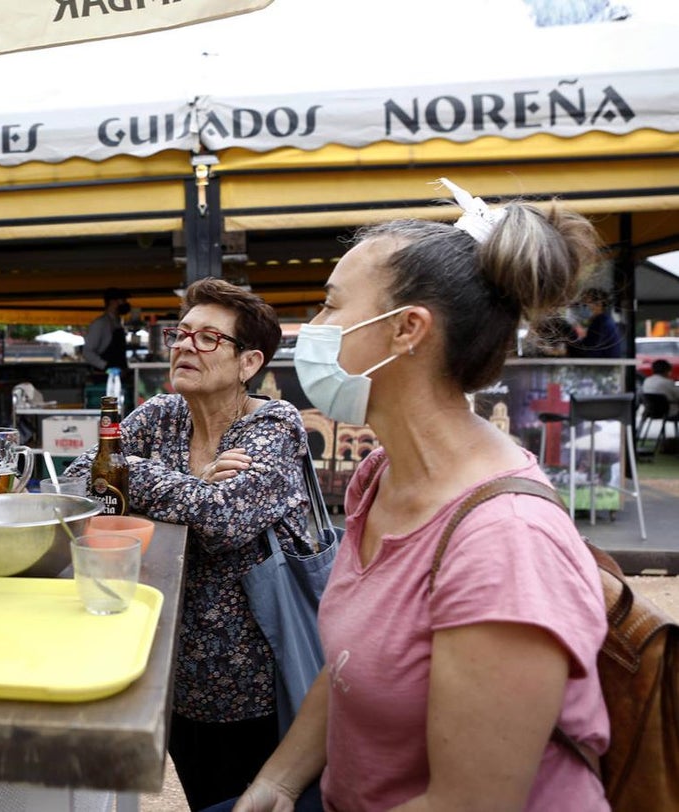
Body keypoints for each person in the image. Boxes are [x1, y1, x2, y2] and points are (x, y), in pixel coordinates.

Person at [226, 181, 609, 811]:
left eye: (330, 305)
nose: (312, 329)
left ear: (407, 329)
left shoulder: (506, 543)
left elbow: (469, 804)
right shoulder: (382, 474)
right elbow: (353, 665)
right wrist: (278, 781)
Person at [64, 277, 314, 811]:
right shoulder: (162, 414)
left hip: (250, 684)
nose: (184, 346)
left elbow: (224, 521)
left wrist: (138, 477)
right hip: (170, 673)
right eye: (181, 334)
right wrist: (195, 485)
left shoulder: (275, 423)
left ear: (249, 363)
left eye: (207, 338)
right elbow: (83, 473)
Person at [83, 286, 132, 372]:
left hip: (119, 372)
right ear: (112, 302)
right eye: (123, 300)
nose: (125, 303)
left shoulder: (118, 322)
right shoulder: (100, 323)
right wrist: (106, 367)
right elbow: (87, 352)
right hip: (104, 375)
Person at [566, 286, 624, 358]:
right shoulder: (602, 321)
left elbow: (589, 352)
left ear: (599, 305)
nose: (582, 307)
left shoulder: (601, 323)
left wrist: (571, 337)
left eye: (585, 304)